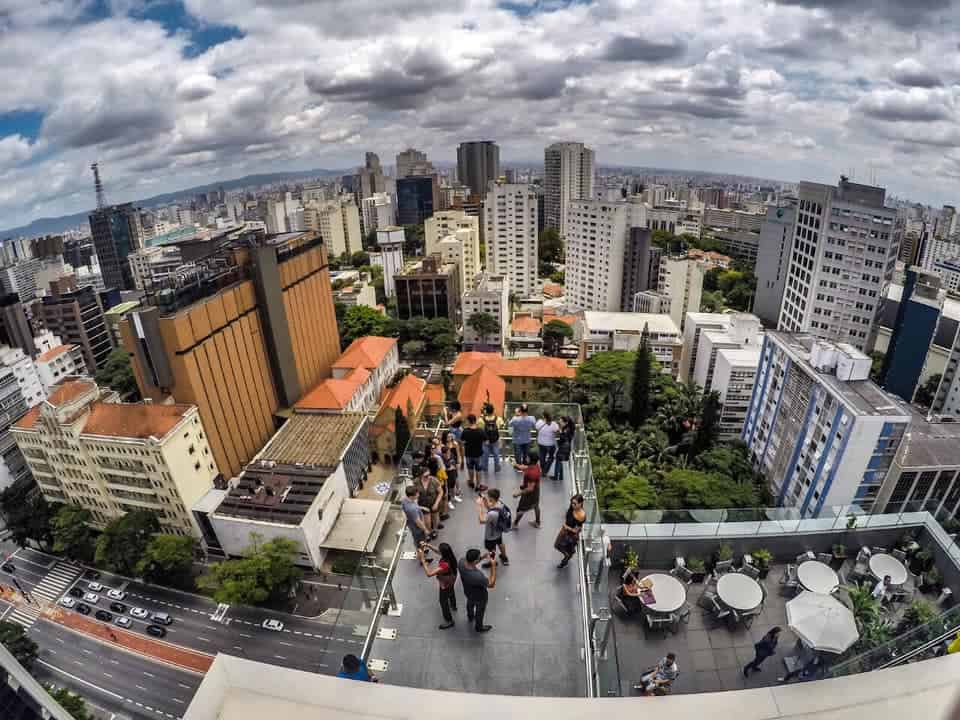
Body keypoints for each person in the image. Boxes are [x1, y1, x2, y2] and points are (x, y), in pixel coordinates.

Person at [418, 542, 459, 630]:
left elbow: (429, 573)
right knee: (451, 591)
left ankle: (449, 621)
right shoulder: (450, 556)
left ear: (443, 552)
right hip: (452, 579)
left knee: (443, 601)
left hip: (445, 583)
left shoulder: (444, 565)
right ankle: (453, 605)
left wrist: (422, 559)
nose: (438, 550)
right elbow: (437, 551)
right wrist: (427, 545)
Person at [459, 548, 496, 632]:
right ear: (475, 561)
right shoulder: (477, 576)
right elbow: (491, 584)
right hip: (480, 596)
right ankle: (479, 627)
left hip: (468, 591)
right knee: (480, 611)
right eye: (478, 558)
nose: (480, 558)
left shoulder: (461, 562)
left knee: (470, 603)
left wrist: (483, 557)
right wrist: (493, 566)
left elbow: (471, 563)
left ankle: (470, 616)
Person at [477, 488, 510, 566]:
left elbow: (481, 520)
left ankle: (493, 562)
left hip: (490, 535)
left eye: (488, 497)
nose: (488, 498)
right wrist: (484, 501)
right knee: (500, 543)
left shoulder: (492, 514)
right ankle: (504, 557)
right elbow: (489, 507)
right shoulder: (500, 504)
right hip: (498, 530)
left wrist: (479, 506)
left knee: (491, 549)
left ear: (491, 498)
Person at [554, 493, 586, 568]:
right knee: (557, 545)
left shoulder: (581, 515)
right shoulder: (572, 508)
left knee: (560, 545)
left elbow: (577, 530)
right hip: (564, 531)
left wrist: (566, 527)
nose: (572, 505)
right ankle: (568, 555)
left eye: (575, 504)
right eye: (572, 503)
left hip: (570, 534)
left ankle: (566, 558)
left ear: (580, 503)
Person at [512, 450, 542, 529]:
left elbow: (530, 489)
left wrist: (518, 494)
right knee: (536, 506)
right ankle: (537, 522)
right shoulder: (536, 466)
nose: (526, 458)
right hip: (536, 491)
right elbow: (527, 467)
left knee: (521, 509)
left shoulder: (531, 473)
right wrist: (517, 466)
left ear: (530, 459)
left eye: (527, 457)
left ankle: (515, 524)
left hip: (529, 495)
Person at [402, 484, 430, 560]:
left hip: (412, 526)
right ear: (411, 496)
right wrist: (425, 530)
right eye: (417, 494)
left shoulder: (405, 500)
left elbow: (412, 508)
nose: (418, 494)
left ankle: (422, 552)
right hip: (417, 529)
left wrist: (421, 508)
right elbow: (418, 522)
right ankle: (422, 559)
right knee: (420, 543)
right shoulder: (412, 508)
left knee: (418, 542)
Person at [460, 414, 487, 492]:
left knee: (470, 468)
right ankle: (478, 485)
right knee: (478, 470)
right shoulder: (481, 431)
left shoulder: (465, 431)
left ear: (469, 421)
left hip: (468, 453)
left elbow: (462, 441)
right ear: (475, 421)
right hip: (478, 454)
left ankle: (471, 482)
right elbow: (486, 441)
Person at [417, 464, 443, 539]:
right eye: (425, 476)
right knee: (427, 522)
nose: (428, 477)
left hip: (434, 503)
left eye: (429, 475)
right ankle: (428, 532)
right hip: (423, 505)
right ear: (421, 475)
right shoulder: (416, 482)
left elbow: (441, 492)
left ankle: (434, 530)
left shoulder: (434, 480)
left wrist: (436, 503)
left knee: (435, 520)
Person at [481, 403, 504, 473]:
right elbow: (502, 428)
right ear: (493, 410)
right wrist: (500, 439)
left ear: (486, 411)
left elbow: (480, 430)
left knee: (485, 455)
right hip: (495, 440)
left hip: (485, 441)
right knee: (496, 455)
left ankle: (484, 468)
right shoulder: (499, 419)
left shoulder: (481, 420)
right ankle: (497, 468)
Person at [535, 411, 559, 477]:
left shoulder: (539, 422)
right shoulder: (554, 424)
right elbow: (557, 431)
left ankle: (543, 471)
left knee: (542, 457)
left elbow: (536, 428)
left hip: (541, 443)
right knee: (551, 457)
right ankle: (545, 470)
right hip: (551, 444)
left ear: (543, 416)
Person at [441, 432, 462, 504]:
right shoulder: (443, 445)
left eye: (451, 436)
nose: (450, 438)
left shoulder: (455, 443)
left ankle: (457, 492)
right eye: (448, 436)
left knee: (455, 476)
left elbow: (458, 453)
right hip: (446, 462)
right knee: (448, 479)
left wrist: (459, 462)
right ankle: (450, 497)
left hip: (454, 461)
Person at [554, 416, 574, 484]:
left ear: (566, 422)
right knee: (560, 460)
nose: (560, 422)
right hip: (565, 447)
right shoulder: (568, 428)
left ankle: (556, 477)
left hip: (564, 447)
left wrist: (560, 432)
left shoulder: (566, 430)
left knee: (558, 459)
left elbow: (564, 438)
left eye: (561, 421)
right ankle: (561, 476)